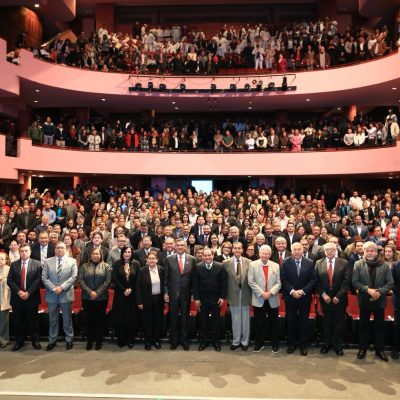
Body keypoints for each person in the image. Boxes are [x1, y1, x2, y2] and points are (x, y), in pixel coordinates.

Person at [352, 242, 393, 361]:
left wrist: (379, 292)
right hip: (364, 300)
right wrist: (368, 290)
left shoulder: (384, 265)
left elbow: (390, 283)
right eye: (367, 251)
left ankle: (380, 350)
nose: (369, 253)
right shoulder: (358, 264)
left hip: (379, 301)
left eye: (372, 251)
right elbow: (355, 282)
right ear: (363, 252)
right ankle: (362, 349)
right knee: (363, 327)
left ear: (376, 252)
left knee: (379, 327)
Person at [281, 242, 316, 355]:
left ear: (303, 250)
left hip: (304, 297)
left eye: (299, 249)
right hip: (290, 297)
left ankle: (303, 345)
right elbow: (283, 279)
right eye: (295, 249)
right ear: (291, 250)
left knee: (303, 321)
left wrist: (303, 291)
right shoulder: (286, 262)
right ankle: (291, 344)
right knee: (290, 321)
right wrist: (292, 291)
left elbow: (313, 280)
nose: (297, 251)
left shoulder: (310, 263)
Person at [315, 242, 350, 356]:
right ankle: (326, 344)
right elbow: (316, 281)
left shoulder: (344, 263)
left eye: (332, 249)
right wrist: (323, 294)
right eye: (327, 250)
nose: (329, 251)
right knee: (327, 323)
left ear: (336, 251)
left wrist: (338, 296)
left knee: (339, 323)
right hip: (325, 299)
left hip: (339, 299)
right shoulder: (318, 263)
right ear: (324, 251)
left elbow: (346, 282)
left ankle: (337, 345)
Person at [42, 241, 78, 350]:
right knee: (53, 319)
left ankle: (69, 339)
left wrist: (61, 287)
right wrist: (54, 288)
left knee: (67, 319)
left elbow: (74, 277)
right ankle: (52, 340)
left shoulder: (72, 261)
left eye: (62, 248)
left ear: (65, 249)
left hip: (65, 294)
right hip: (52, 294)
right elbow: (44, 278)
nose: (60, 250)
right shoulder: (48, 261)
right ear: (55, 249)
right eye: (58, 248)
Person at [7, 243, 42, 351]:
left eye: (26, 250)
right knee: (18, 322)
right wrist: (19, 292)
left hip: (31, 298)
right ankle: (19, 341)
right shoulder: (14, 264)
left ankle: (35, 341)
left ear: (30, 252)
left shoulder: (37, 264)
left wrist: (28, 293)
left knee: (32, 321)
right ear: (19, 252)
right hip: (17, 298)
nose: (24, 253)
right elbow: (10, 280)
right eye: (22, 251)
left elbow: (39, 280)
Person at [164, 238, 196, 350]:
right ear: (175, 247)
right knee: (173, 318)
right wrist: (166, 292)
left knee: (185, 318)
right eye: (178, 245)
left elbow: (193, 279)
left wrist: (193, 293)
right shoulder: (169, 259)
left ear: (185, 246)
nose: (180, 247)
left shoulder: (192, 259)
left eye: (182, 245)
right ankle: (174, 340)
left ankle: (184, 340)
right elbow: (166, 277)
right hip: (173, 294)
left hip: (186, 294)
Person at [248, 245, 281, 353]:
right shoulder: (253, 265)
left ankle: (274, 344)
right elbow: (251, 282)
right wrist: (262, 293)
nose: (265, 255)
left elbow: (279, 283)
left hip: (272, 298)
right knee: (259, 323)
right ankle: (259, 344)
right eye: (263, 253)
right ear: (259, 253)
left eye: (267, 253)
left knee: (274, 323)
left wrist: (270, 292)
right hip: (259, 298)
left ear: (270, 254)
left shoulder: (276, 266)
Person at [78, 247, 112, 350]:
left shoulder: (106, 266)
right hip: (87, 298)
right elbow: (81, 280)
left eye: (97, 254)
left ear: (101, 255)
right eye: (93, 254)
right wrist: (90, 292)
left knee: (99, 321)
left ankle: (98, 341)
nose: (95, 256)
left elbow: (108, 281)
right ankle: (89, 340)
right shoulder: (84, 266)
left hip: (101, 298)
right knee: (89, 321)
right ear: (90, 255)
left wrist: (97, 292)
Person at [194, 248, 227, 351]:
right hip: (202, 299)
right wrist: (196, 298)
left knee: (215, 321)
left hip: (216, 299)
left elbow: (224, 283)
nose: (207, 257)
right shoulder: (198, 267)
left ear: (213, 256)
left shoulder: (220, 266)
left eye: (209, 255)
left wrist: (222, 297)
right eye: (205, 255)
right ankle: (204, 341)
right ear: (202, 256)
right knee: (203, 321)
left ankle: (215, 341)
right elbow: (195, 284)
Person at [223, 242, 251, 351]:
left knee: (245, 319)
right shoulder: (225, 263)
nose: (237, 250)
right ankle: (236, 341)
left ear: (242, 250)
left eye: (239, 248)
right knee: (235, 319)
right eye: (235, 248)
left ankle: (245, 341)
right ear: (232, 250)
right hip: (233, 294)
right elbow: (224, 281)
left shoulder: (249, 262)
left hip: (245, 293)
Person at [111, 246, 141, 348]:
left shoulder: (136, 264)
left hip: (132, 296)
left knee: (131, 318)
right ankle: (121, 339)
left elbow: (138, 279)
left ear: (132, 253)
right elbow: (115, 278)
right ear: (122, 253)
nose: (127, 254)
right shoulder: (116, 263)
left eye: (129, 252)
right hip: (120, 295)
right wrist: (124, 289)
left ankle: (131, 339)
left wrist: (130, 289)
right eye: (125, 252)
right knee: (120, 317)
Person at [136, 251, 165, 350]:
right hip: (146, 300)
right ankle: (148, 341)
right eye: (150, 258)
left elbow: (164, 285)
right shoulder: (142, 271)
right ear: (147, 260)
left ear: (157, 260)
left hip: (158, 300)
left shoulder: (161, 270)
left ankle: (156, 340)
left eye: (153, 258)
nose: (151, 260)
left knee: (157, 321)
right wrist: (139, 302)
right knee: (147, 322)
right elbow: (138, 287)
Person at [0, 253, 11, 348]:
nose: (0, 261)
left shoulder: (9, 269)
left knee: (3, 321)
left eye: (1, 259)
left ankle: (4, 340)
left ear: (6, 260)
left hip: (4, 298)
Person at [392, 259, 400, 359]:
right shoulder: (396, 265)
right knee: (398, 326)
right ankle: (396, 348)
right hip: (399, 300)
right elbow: (393, 283)